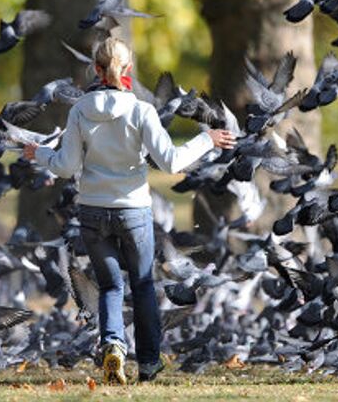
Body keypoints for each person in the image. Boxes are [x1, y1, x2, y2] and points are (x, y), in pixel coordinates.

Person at [23, 37, 235, 385]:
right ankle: (149, 363)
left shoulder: (80, 109)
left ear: (96, 69)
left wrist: (39, 154)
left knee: (109, 287)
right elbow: (170, 161)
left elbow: (65, 165)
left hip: (92, 211)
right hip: (133, 211)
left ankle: (113, 346)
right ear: (129, 69)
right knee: (143, 285)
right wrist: (206, 140)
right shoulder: (141, 111)